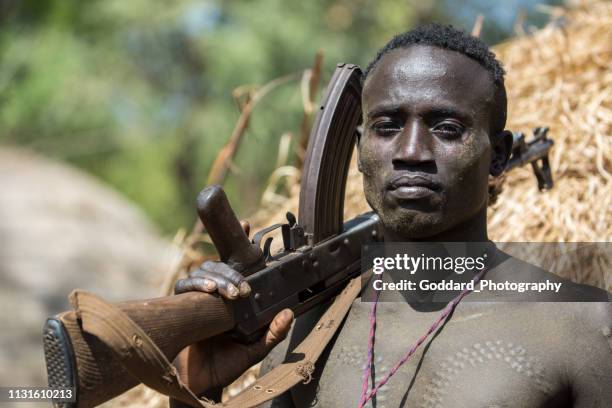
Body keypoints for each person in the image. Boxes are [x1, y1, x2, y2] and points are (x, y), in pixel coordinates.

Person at [172, 24, 611, 407]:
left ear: (497, 156)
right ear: (360, 149)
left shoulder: (583, 328)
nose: (411, 153)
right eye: (386, 127)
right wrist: (194, 392)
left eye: (446, 129)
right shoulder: (304, 328)